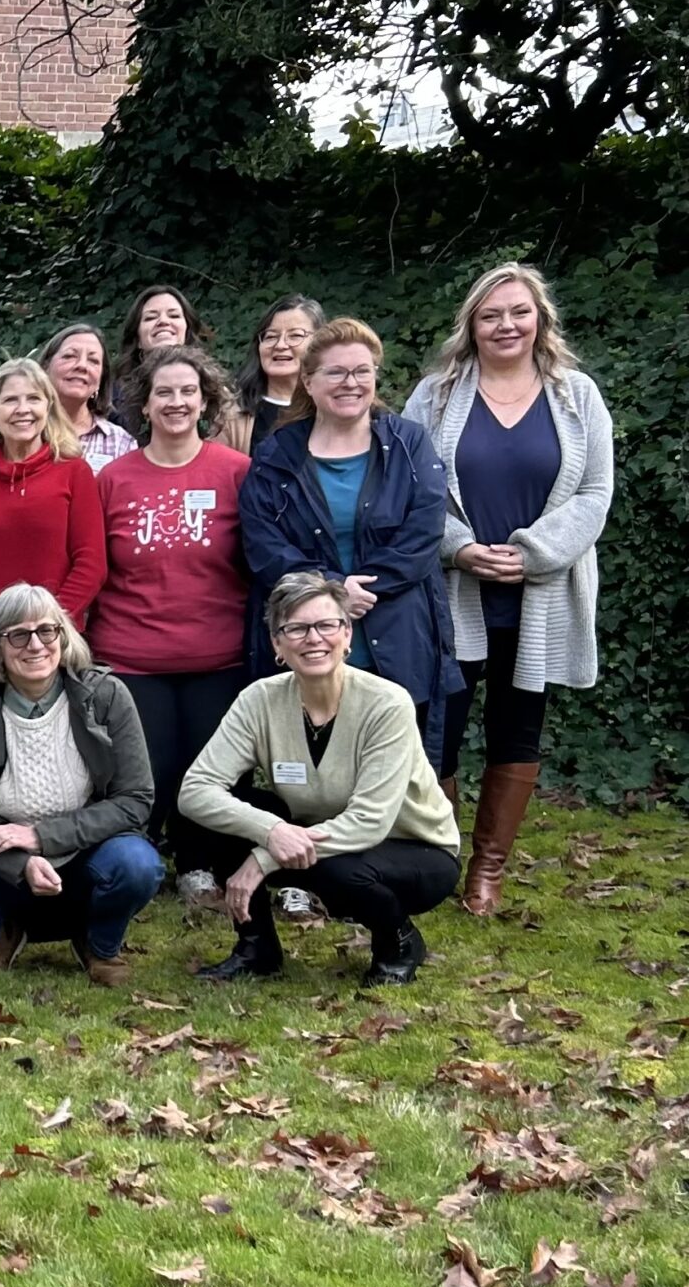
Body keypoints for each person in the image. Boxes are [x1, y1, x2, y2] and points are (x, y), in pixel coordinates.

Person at [404, 263, 614, 917]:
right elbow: (409, 488)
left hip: (540, 593)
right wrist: (458, 547)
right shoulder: (435, 395)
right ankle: (430, 860)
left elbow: (596, 492)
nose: (506, 325)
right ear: (471, 323)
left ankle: (487, 872)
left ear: (540, 319)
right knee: (438, 728)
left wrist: (534, 554)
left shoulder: (577, 396)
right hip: (454, 590)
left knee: (516, 730)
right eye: (491, 314)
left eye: (519, 312)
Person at [181, 573, 461, 986]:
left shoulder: (387, 704)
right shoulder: (258, 699)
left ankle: (398, 943)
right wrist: (270, 829)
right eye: (295, 628)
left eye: (326, 625)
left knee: (337, 870)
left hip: (413, 848)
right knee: (228, 816)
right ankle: (257, 948)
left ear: (347, 634)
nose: (313, 638)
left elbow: (370, 822)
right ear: (277, 644)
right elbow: (195, 789)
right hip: (313, 838)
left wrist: (264, 855)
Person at [0, 586, 161, 985]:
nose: (35, 645)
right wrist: (20, 862)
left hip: (88, 859)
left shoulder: (107, 696)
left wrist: (40, 837)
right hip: (1, 871)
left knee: (138, 864)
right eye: (18, 634)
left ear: (63, 637)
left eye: (47, 631)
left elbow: (135, 799)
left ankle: (99, 946)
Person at [239, 318, 455, 747]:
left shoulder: (409, 444)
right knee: (311, 773)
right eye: (335, 372)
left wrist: (361, 590)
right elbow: (263, 544)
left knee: (396, 775)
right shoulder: (276, 454)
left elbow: (424, 532)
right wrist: (334, 591)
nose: (350, 383)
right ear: (309, 381)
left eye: (362, 371)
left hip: (396, 633)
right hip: (307, 637)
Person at [91, 345, 251, 907]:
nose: (177, 402)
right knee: (147, 768)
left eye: (188, 391)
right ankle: (137, 859)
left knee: (207, 768)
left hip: (218, 656)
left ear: (205, 400)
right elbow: (95, 567)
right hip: (133, 656)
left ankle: (199, 865)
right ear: (145, 403)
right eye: (165, 392)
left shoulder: (235, 472)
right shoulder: (113, 478)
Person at [0, 358, 106, 647]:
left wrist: (47, 631)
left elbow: (91, 563)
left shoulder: (74, 472)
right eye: (10, 400)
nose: (22, 409)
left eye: (33, 398)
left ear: (48, 408)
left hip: (55, 642)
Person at [37, 323, 139, 471]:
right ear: (45, 367)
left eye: (93, 360)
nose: (82, 366)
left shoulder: (121, 443)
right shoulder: (23, 429)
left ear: (100, 380)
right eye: (70, 356)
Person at [111, 285, 210, 435]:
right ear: (137, 338)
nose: (163, 321)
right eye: (150, 317)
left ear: (187, 331)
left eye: (174, 316)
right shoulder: (112, 394)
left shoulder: (213, 388)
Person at [230, 296, 322, 451]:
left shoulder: (332, 406)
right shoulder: (231, 410)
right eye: (271, 336)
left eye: (295, 336)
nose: (280, 345)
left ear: (319, 342)